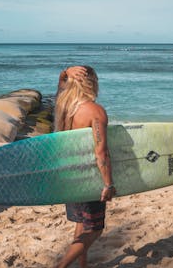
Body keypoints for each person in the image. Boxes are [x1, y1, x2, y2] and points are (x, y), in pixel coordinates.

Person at [54, 65, 115, 268]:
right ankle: (61, 266)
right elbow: (101, 152)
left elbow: (60, 87)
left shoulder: (63, 106)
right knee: (95, 229)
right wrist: (108, 183)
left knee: (81, 224)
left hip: (69, 175)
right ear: (91, 82)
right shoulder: (95, 111)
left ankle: (82, 266)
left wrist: (64, 73)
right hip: (88, 178)